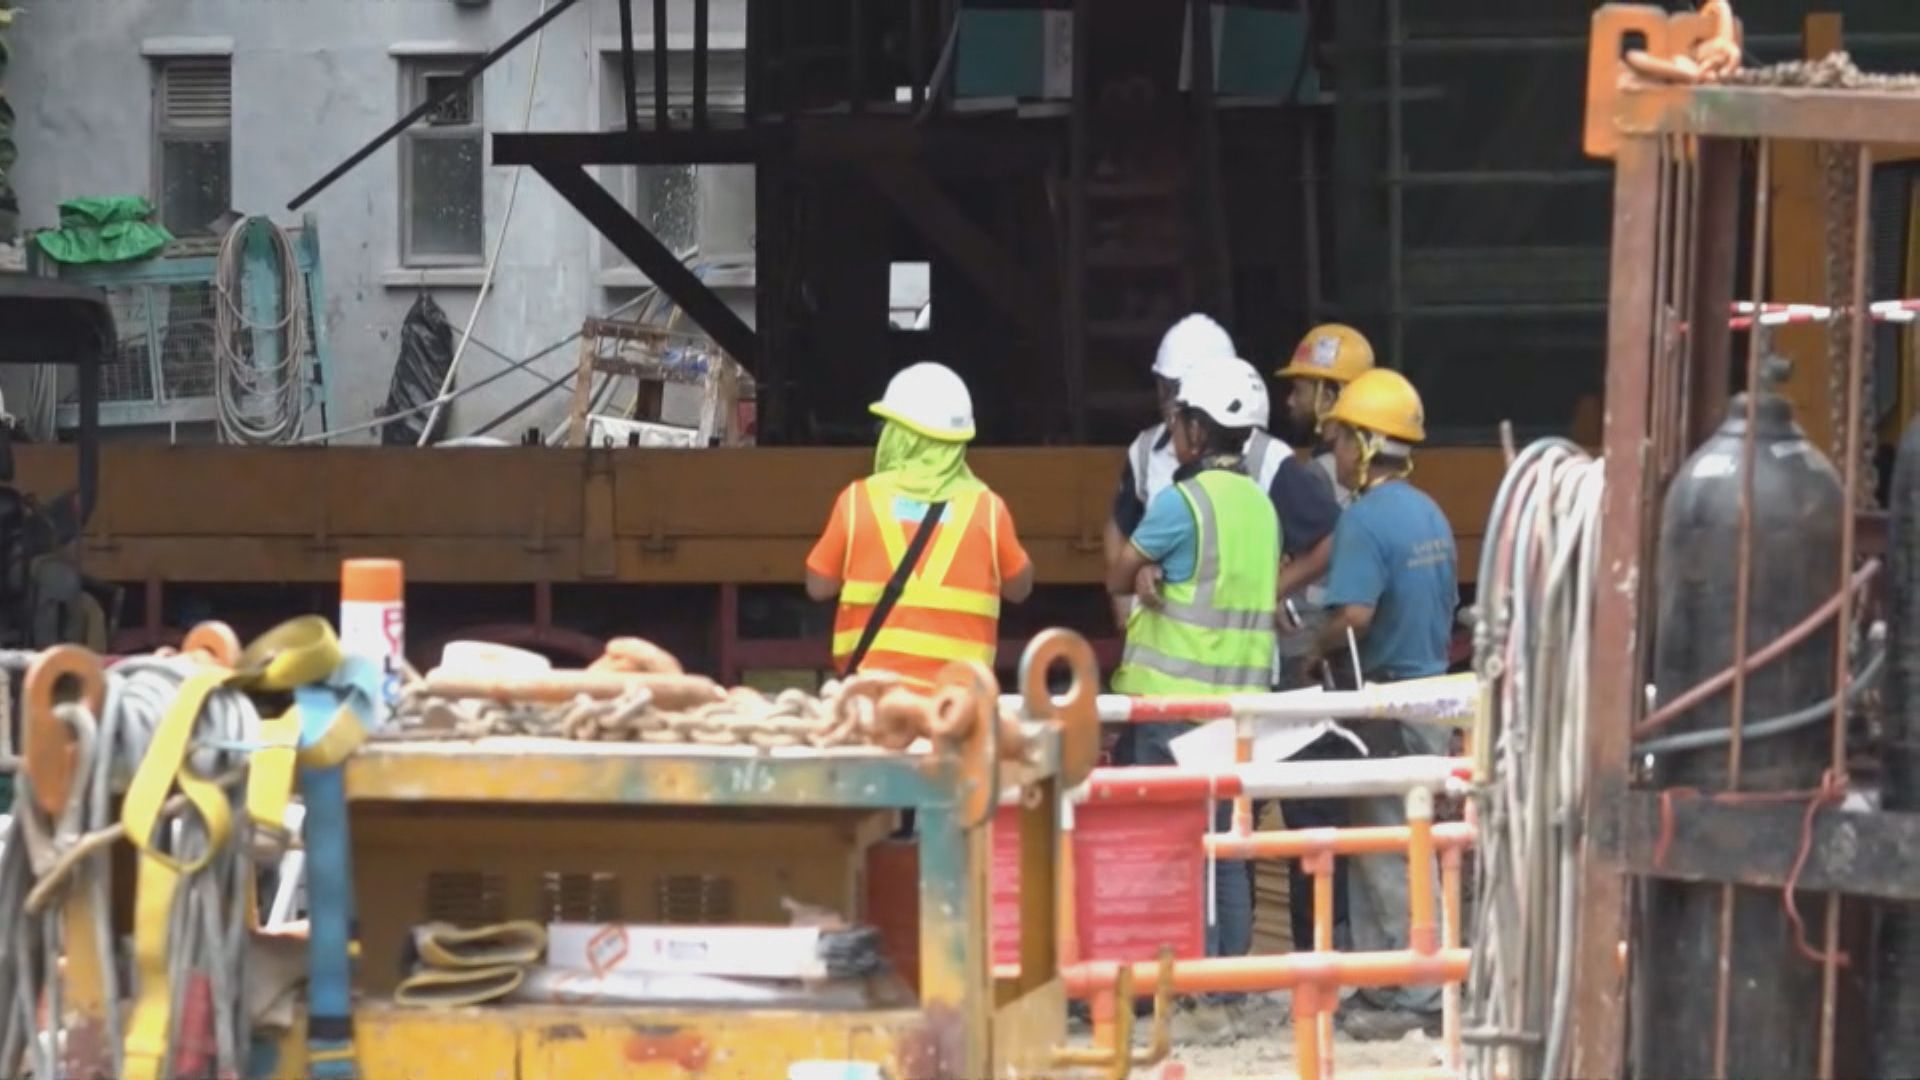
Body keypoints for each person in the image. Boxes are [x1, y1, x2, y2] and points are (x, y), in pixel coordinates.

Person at [1106, 357, 1278, 995]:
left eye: (1179, 421)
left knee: (1167, 852)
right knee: (1227, 850)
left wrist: (1145, 572)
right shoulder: (1261, 507)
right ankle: (1222, 990)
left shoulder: (1182, 503)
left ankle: (1171, 983)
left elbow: (1120, 573)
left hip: (1169, 709)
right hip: (1238, 709)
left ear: (1198, 432)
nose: (1173, 431)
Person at [1307, 367, 1459, 1041]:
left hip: (1389, 700)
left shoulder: (1364, 520)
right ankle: (1411, 977)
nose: (1335, 453)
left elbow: (1356, 616)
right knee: (1420, 841)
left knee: (1384, 848)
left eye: (1341, 439)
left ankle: (1408, 992)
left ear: (1367, 444)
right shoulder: (1431, 512)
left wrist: (1312, 644)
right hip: (1434, 691)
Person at [805, 362, 1033, 691]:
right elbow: (1020, 589)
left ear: (899, 436)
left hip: (874, 703)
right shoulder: (988, 509)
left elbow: (818, 586)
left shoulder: (856, 501)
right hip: (957, 708)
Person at [1104, 313, 1240, 633]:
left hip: (1233, 642)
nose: (1168, 404)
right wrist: (1124, 595)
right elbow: (1118, 525)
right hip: (1163, 645)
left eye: (1176, 391)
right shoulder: (1145, 449)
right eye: (1165, 390)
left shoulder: (1265, 456)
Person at [1275, 323, 1376, 507]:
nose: (1290, 401)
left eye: (1298, 391)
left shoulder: (1317, 478)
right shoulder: (1376, 466)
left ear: (1327, 398)